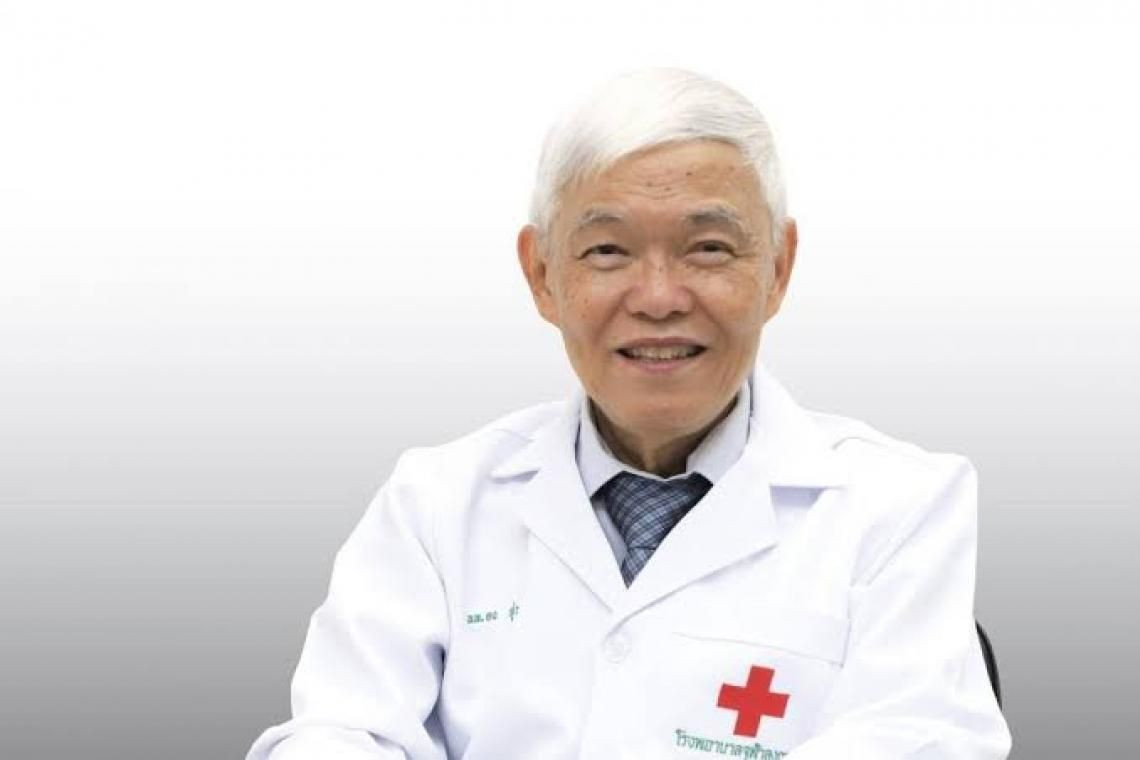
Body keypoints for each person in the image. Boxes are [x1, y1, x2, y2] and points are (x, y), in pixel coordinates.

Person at [246, 67, 1012, 759]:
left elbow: (922, 740)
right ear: (542, 275)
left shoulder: (901, 509)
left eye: (708, 248)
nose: (658, 298)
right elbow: (338, 731)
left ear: (778, 268)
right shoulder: (436, 504)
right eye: (607, 252)